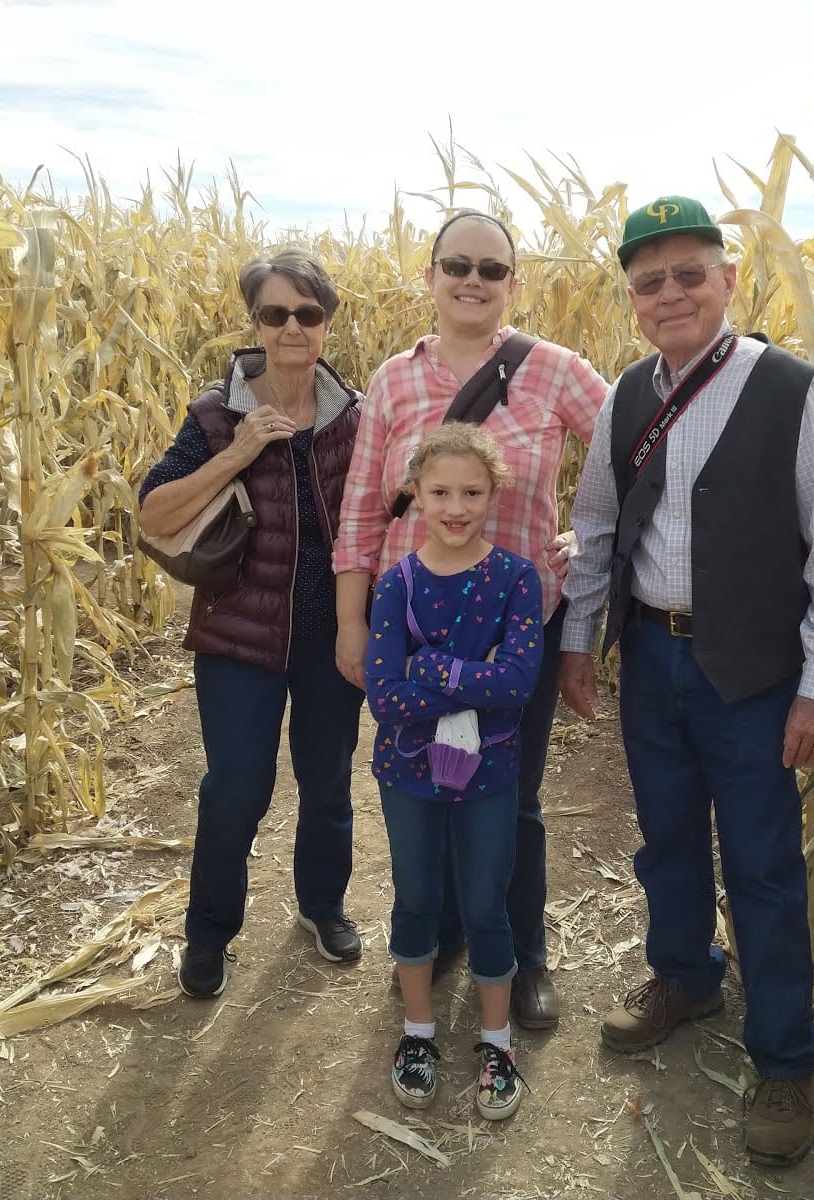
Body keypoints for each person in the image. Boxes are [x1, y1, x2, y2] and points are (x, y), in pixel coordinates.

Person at [558, 196, 814, 1167]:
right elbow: (599, 528)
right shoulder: (625, 398)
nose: (670, 295)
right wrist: (579, 641)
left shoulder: (787, 390)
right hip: (651, 657)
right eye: (649, 283)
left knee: (765, 868)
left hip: (749, 671)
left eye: (688, 274)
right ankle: (686, 976)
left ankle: (783, 1057)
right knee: (665, 841)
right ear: (633, 300)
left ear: (726, 280)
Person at [334, 210, 608, 1031]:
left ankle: (523, 953)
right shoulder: (392, 379)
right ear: (430, 275)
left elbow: (638, 453)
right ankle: (447, 932)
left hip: (514, 631)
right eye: (456, 264)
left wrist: (586, 535)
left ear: (512, 284)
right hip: (411, 626)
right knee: (424, 780)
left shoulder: (556, 372)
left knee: (509, 796)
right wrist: (353, 622)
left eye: (492, 269)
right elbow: (359, 507)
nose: (472, 281)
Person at [139, 249, 366, 999]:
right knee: (237, 788)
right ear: (257, 325)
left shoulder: (356, 419)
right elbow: (154, 512)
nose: (292, 327)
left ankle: (323, 907)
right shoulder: (216, 413)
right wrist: (237, 453)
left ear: (327, 323)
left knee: (328, 782)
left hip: (329, 634)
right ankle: (208, 935)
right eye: (276, 314)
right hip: (239, 637)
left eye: (308, 313)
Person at [365, 423, 544, 1119]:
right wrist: (477, 677)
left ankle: (496, 1043)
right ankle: (418, 1034)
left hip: (489, 773)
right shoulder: (397, 585)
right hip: (407, 772)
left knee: (485, 903)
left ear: (494, 493)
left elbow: (519, 684)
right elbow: (384, 697)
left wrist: (431, 666)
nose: (456, 506)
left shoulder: (515, 580)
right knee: (416, 898)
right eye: (440, 491)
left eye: (472, 491)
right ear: (415, 492)